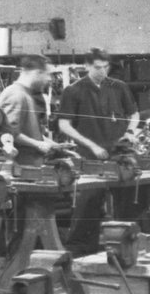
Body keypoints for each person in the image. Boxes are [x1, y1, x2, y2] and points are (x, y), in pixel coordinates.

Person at [59, 50, 141, 250]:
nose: (102, 71)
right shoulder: (74, 90)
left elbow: (134, 114)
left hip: (119, 155)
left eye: (106, 67)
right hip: (90, 156)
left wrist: (130, 131)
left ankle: (126, 247)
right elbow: (64, 124)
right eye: (97, 67)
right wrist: (91, 145)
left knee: (129, 202)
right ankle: (80, 251)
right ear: (86, 66)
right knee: (88, 204)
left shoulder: (119, 87)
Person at [0, 56, 72, 162]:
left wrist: (55, 146)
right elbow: (9, 132)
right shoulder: (16, 94)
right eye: (47, 74)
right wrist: (38, 144)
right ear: (36, 73)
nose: (49, 79)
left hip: (31, 164)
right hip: (20, 166)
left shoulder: (26, 94)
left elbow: (29, 133)